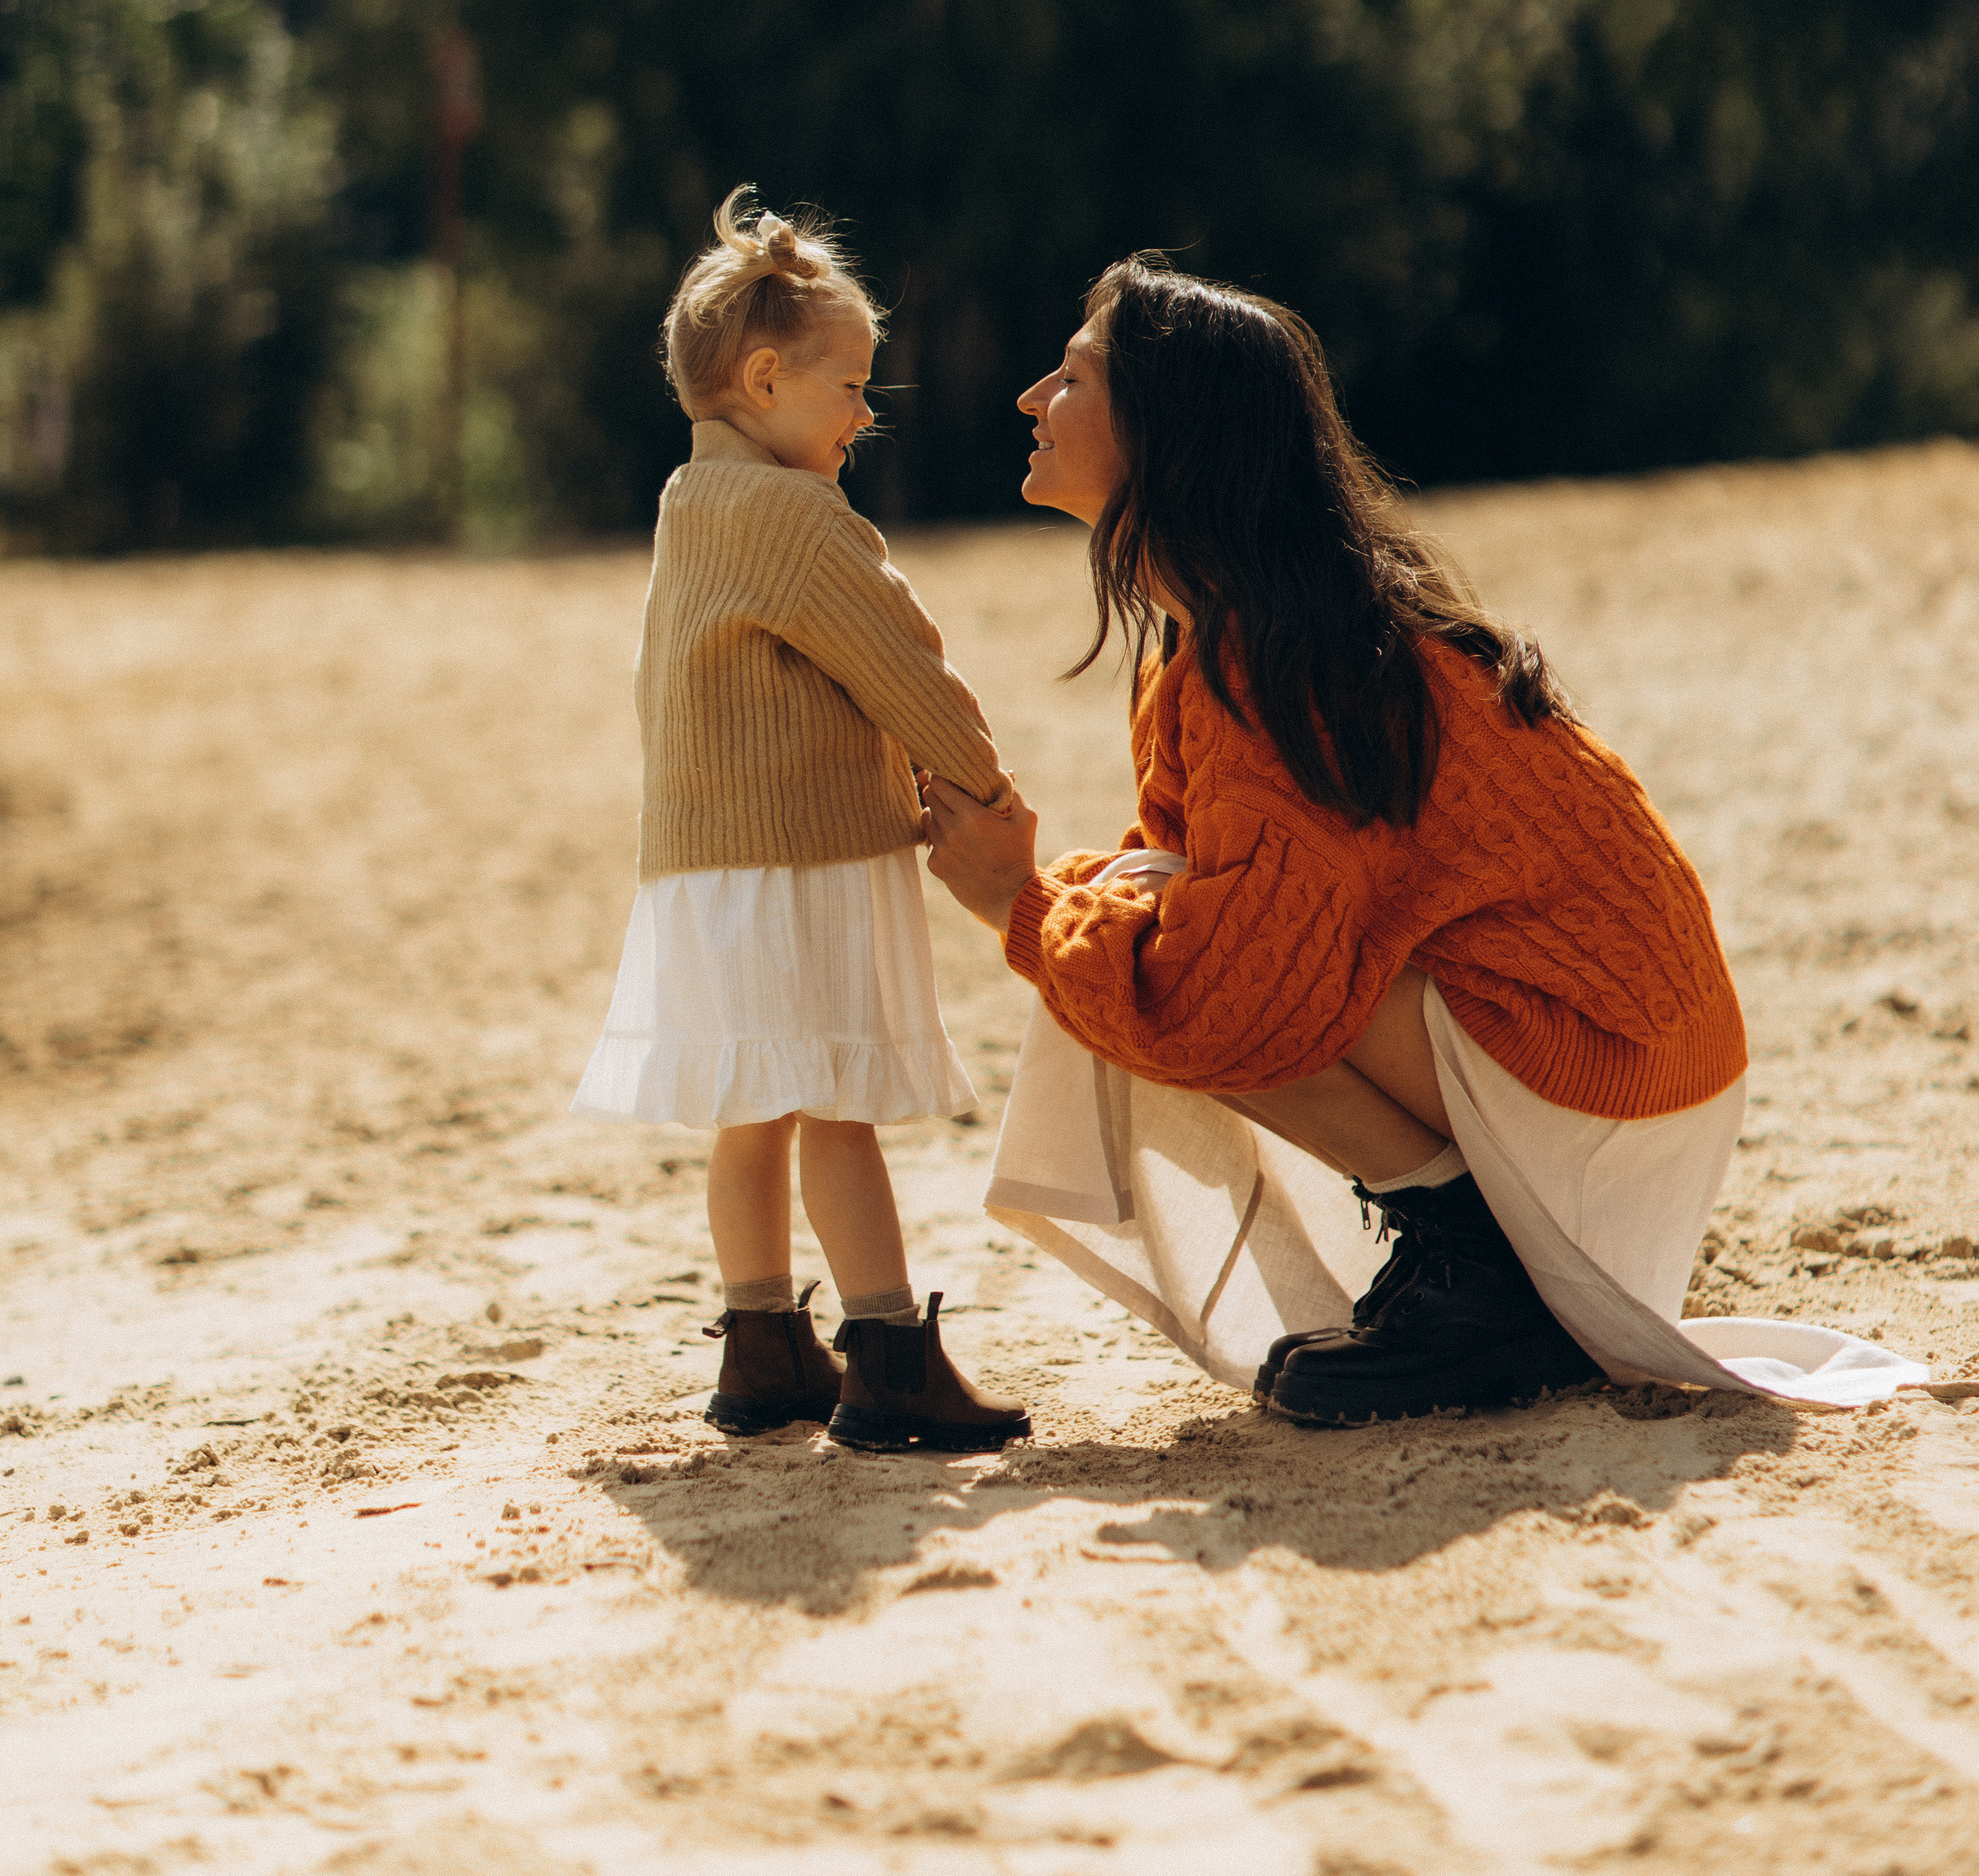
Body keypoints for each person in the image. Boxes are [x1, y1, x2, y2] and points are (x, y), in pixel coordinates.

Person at [924, 254, 1924, 1422]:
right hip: (1614, 1058)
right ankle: (1470, 1258)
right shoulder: (1228, 639)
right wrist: (1079, 901)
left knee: (1193, 963)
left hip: (1605, 1067)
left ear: (1168, 432)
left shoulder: (1283, 658)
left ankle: (1478, 1280)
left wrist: (1020, 903)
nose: (1031, 398)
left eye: (1075, 376)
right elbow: (1194, 890)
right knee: (1152, 909)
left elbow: (1229, 986)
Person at [572, 189, 1029, 1454]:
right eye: (850, 387)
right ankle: (888, 1353)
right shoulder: (794, 517)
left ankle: (763, 1344)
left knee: (753, 1107)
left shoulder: (689, 504)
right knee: (836, 1104)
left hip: (703, 867)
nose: (865, 415)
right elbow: (902, 663)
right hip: (805, 857)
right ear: (765, 379)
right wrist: (981, 789)